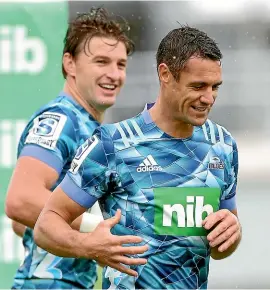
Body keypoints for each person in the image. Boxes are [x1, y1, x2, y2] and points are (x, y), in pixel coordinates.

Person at [33, 25, 242, 289]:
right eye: (198, 86)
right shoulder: (113, 144)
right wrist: (88, 246)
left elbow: (221, 245)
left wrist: (233, 233)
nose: (208, 98)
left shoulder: (222, 145)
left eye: (215, 87)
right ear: (165, 74)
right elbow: (46, 224)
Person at [5, 7, 147, 289]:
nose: (113, 74)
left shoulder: (88, 127)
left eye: (120, 64)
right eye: (101, 62)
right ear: (69, 64)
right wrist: (96, 229)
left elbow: (23, 224)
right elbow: (20, 200)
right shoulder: (62, 119)